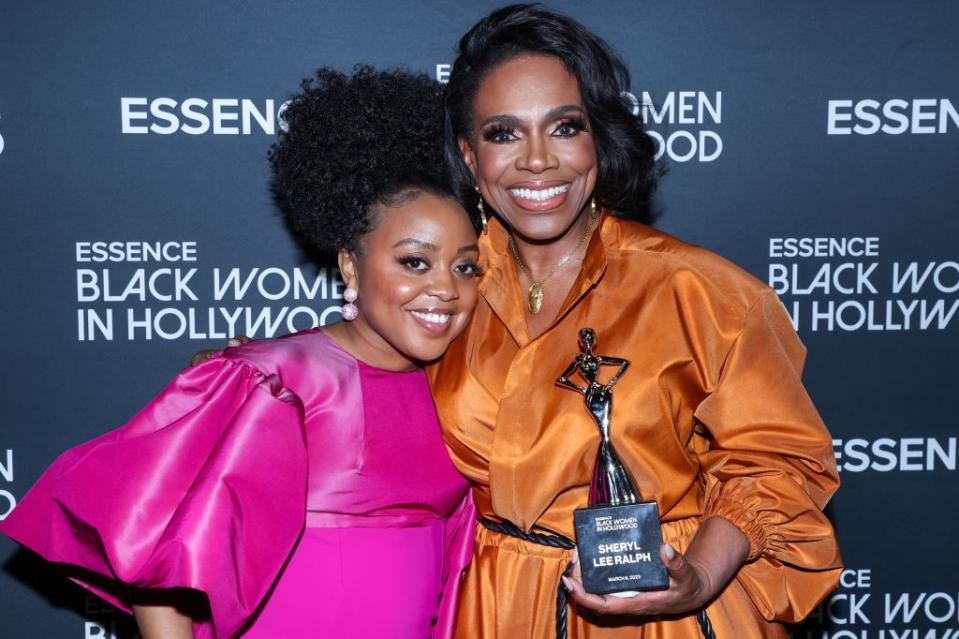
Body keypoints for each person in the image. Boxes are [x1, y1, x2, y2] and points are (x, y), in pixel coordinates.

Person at [0, 67, 482, 639]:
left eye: (466, 266)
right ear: (351, 264)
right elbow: (166, 564)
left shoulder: (464, 390)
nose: (446, 289)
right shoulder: (272, 380)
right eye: (414, 261)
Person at [427, 4, 843, 638]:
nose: (537, 160)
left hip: (670, 612)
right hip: (498, 607)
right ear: (469, 155)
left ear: (599, 137)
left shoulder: (698, 290)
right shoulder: (442, 297)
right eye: (503, 133)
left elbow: (778, 464)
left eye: (564, 127)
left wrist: (697, 578)